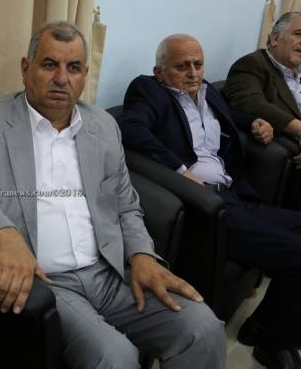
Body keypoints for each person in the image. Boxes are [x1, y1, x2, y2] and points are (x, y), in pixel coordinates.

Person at [0, 22, 224, 369]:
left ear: (85, 75)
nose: (62, 78)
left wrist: (142, 254)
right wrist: (5, 234)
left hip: (110, 271)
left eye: (73, 68)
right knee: (115, 359)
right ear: (26, 68)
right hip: (48, 281)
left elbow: (125, 202)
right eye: (49, 65)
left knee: (203, 329)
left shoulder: (102, 125)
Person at [119, 33, 301, 369]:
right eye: (182, 66)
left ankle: (260, 326)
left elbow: (228, 115)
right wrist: (181, 172)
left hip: (235, 194)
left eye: (198, 64)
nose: (192, 73)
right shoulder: (149, 90)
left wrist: (255, 121)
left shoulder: (206, 92)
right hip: (207, 206)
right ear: (159, 71)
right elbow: (131, 128)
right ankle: (273, 344)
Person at [223, 11, 301, 164]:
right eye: (298, 34)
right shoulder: (253, 64)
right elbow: (249, 102)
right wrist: (299, 129)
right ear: (275, 38)